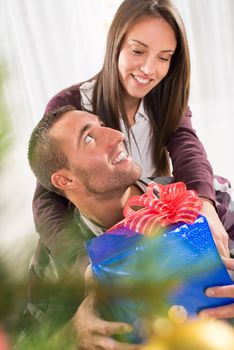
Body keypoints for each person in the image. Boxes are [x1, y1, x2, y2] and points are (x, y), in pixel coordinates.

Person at [32, 0, 230, 286]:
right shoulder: (72, 106)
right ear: (116, 43)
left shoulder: (164, 97)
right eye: (138, 51)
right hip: (104, 237)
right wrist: (82, 265)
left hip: (154, 222)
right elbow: (47, 198)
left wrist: (203, 204)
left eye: (164, 57)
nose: (149, 69)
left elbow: (188, 148)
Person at [27, 106, 234, 349]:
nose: (117, 135)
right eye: (89, 137)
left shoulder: (210, 200)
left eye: (103, 124)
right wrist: (73, 333)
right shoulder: (53, 262)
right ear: (66, 180)